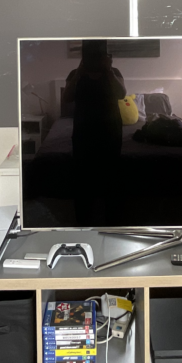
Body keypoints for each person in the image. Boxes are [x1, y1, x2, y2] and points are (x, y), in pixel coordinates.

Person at [63, 40, 126, 226]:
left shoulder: (114, 74)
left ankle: (112, 222)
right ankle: (83, 222)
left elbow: (122, 94)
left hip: (110, 133)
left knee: (112, 177)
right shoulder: (75, 74)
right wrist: (79, 73)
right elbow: (66, 98)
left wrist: (108, 71)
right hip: (83, 133)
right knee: (82, 180)